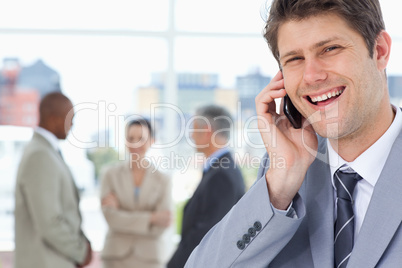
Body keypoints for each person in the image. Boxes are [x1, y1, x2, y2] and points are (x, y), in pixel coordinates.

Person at [185, 0, 402, 267]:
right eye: (295, 59)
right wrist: (280, 184)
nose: (311, 76)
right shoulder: (284, 174)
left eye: (330, 49)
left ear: (379, 50)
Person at [14, 92, 92, 268]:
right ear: (54, 118)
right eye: (70, 117)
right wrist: (80, 252)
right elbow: (49, 222)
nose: (73, 124)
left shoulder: (46, 151)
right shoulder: (40, 155)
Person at [167, 105, 245, 268]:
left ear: (207, 130)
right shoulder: (221, 170)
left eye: (194, 128)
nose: (191, 135)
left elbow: (206, 236)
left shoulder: (221, 175)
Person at [100, 118, 173, 268]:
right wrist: (152, 217)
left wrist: (124, 216)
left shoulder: (163, 180)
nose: (135, 144)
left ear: (152, 141)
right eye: (130, 138)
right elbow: (111, 218)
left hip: (150, 259)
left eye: (141, 139)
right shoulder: (110, 175)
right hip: (115, 258)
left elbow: (162, 225)